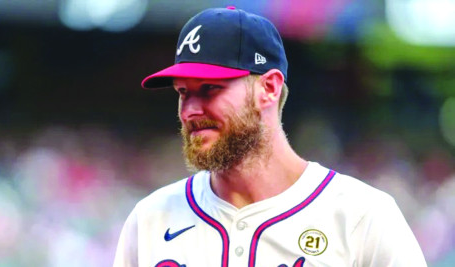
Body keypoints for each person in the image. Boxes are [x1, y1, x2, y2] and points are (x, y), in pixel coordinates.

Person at [113, 6, 427, 267]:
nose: (190, 110)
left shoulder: (363, 217)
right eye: (183, 92)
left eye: (210, 88)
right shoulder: (150, 218)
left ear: (269, 88)